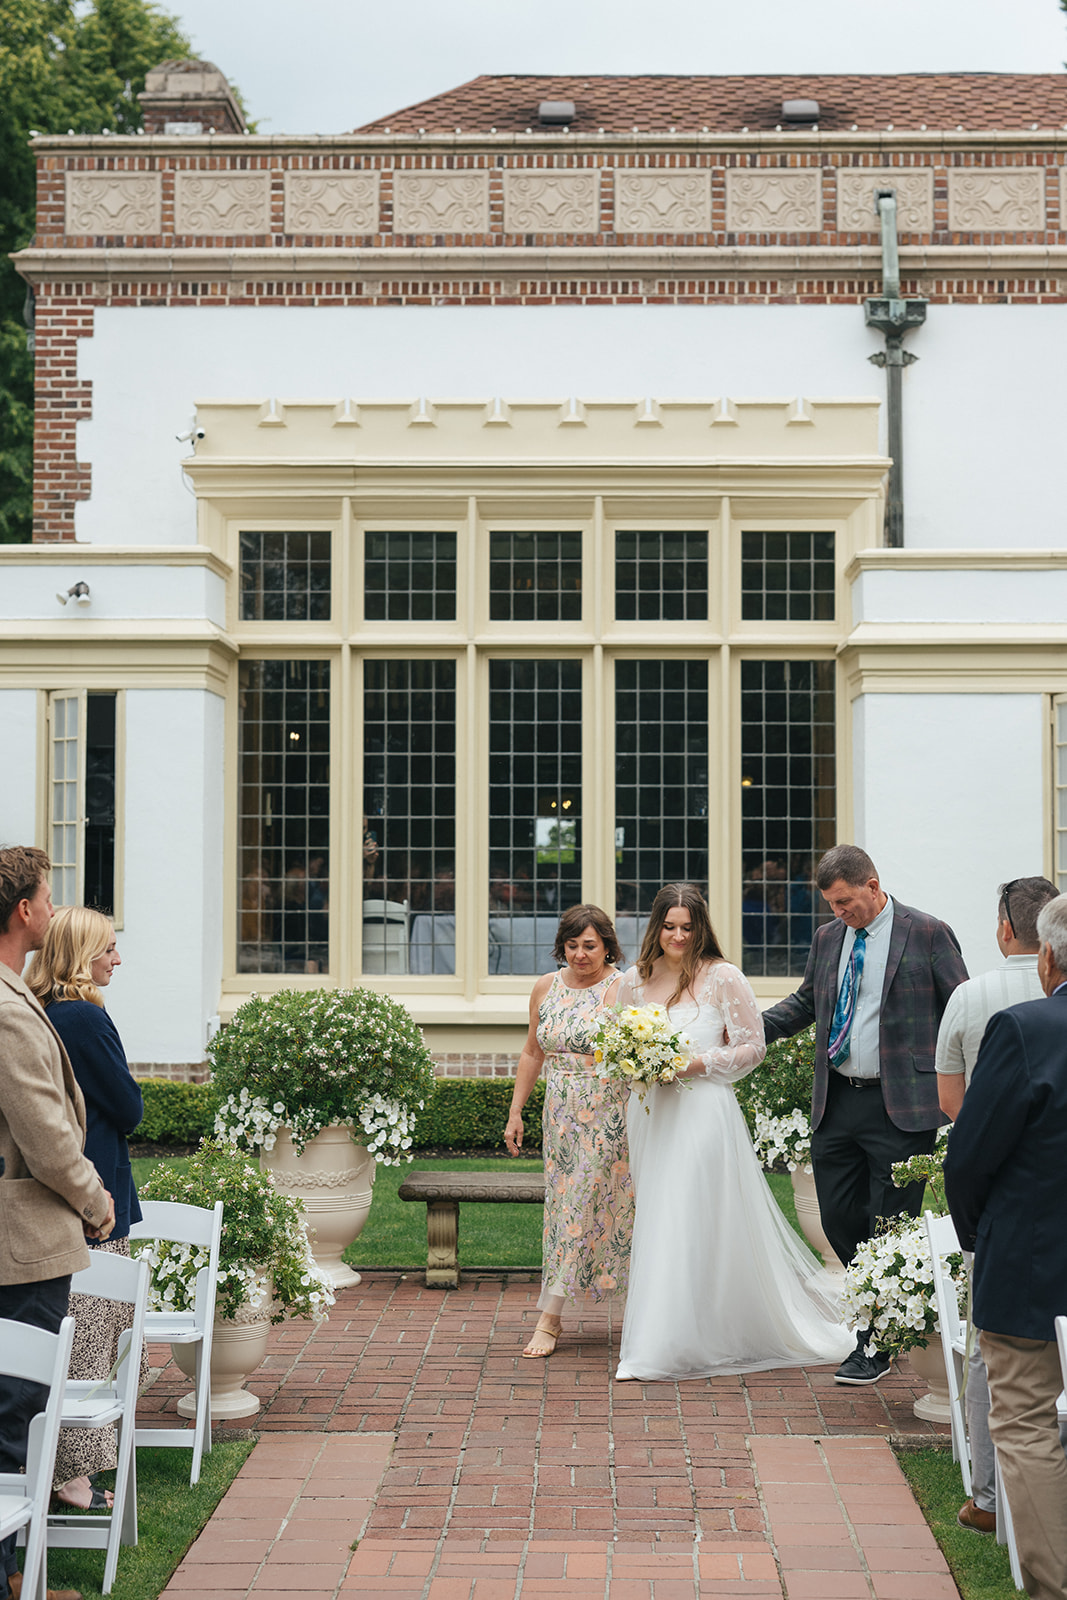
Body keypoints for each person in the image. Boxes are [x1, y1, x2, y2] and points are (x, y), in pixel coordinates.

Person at [614, 883, 852, 1382]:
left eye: (687, 927)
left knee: (690, 1214)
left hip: (703, 1112)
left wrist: (694, 1063)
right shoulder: (633, 983)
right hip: (652, 1115)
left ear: (700, 927)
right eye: (669, 926)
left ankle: (670, 1345)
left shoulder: (723, 977)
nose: (678, 936)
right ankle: (672, 1334)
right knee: (659, 1217)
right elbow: (617, 1043)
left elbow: (752, 1046)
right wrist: (634, 1062)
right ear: (655, 927)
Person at [763, 844, 968, 1386]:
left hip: (902, 1103)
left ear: (874, 885)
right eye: (832, 905)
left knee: (891, 1222)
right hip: (838, 1099)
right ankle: (882, 1310)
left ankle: (874, 1342)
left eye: (846, 902)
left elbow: (961, 1009)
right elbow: (808, 1002)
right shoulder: (829, 938)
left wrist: (962, 1085)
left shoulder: (928, 932)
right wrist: (750, 1028)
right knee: (837, 1216)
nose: (839, 914)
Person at [944, 893, 1067, 1600]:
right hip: (1029, 1252)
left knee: (1022, 1420)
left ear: (1047, 958)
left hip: (1028, 1261)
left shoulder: (1022, 1028)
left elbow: (968, 1159)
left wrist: (978, 1235)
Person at [0, 848, 114, 1600]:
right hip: (24, 1243)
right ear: (24, 911)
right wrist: (97, 1201)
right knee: (15, 1413)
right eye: (47, 895)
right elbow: (45, 1136)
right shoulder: (7, 1008)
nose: (52, 906)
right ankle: (10, 1580)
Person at [25, 907, 145, 1514]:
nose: (116, 960)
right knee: (94, 1338)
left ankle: (72, 1461)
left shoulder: (42, 1010)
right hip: (93, 1193)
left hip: (61, 1198)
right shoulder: (83, 1018)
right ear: (80, 956)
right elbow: (128, 1106)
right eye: (108, 950)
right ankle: (70, 1473)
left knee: (84, 1331)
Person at [504, 904, 633, 1358]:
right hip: (559, 1117)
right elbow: (531, 1053)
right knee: (563, 1210)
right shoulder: (546, 987)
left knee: (601, 1207)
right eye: (572, 945)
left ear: (607, 946)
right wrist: (516, 1111)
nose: (580, 955)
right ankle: (562, 1313)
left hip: (609, 1115)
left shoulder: (624, 988)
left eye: (590, 946)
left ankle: (551, 1317)